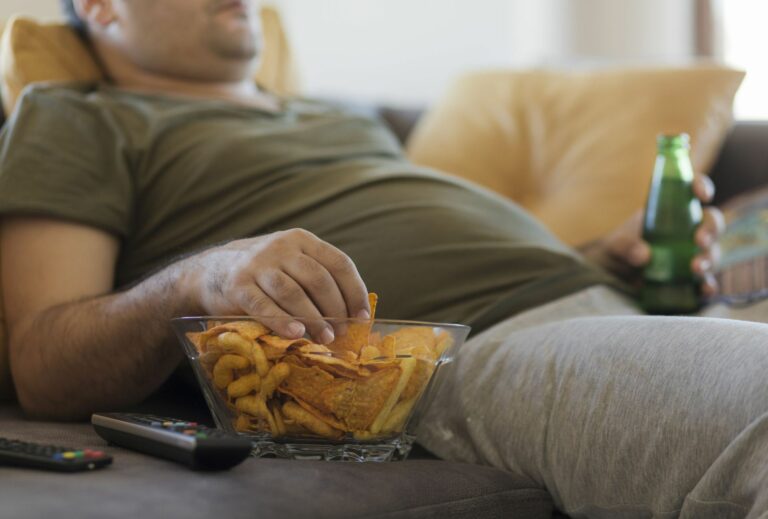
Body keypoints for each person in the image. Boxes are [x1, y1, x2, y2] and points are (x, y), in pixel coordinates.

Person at [0, 1, 766, 517]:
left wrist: (600, 255)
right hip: (473, 345)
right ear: (101, 7)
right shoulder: (78, 116)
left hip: (617, 304)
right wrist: (206, 274)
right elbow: (39, 359)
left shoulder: (335, 116)